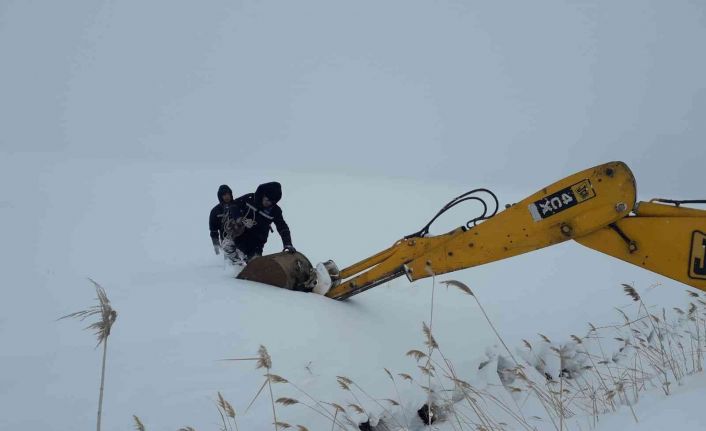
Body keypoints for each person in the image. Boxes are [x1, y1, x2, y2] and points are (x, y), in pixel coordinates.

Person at [221, 181, 295, 264]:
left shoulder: (275, 211)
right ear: (263, 195)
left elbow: (282, 227)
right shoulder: (249, 199)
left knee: (255, 263)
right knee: (227, 246)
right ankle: (236, 267)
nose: (269, 203)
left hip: (257, 241)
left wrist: (287, 243)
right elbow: (233, 205)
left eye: (272, 202)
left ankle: (247, 269)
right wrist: (239, 218)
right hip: (240, 234)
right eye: (267, 200)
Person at [209, 184, 234, 255]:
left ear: (230, 194)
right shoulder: (215, 211)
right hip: (226, 241)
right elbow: (213, 231)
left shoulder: (238, 205)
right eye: (224, 195)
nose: (226, 196)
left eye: (227, 194)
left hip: (241, 239)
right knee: (231, 262)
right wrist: (217, 247)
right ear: (220, 196)